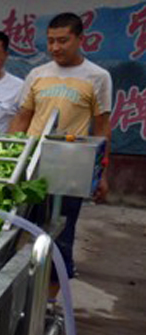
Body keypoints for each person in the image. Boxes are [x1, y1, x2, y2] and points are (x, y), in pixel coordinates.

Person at [8, 12, 112, 293]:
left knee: (60, 237)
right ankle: (16, 295)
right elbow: (22, 118)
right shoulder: (37, 74)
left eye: (63, 41)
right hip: (31, 165)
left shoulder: (97, 77)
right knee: (17, 230)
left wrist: (101, 171)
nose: (55, 48)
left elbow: (102, 126)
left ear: (80, 39)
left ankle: (50, 305)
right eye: (51, 41)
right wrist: (8, 158)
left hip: (69, 168)